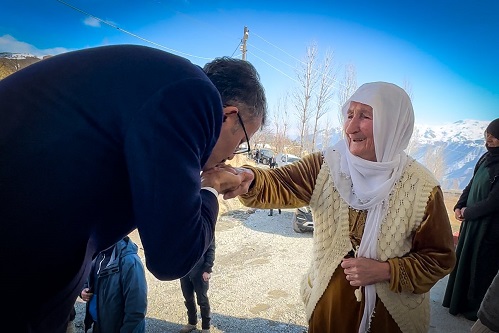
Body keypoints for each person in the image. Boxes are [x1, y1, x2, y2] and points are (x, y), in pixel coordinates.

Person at [0, 44, 267, 332]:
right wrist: (211, 189)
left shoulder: (160, 91)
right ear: (228, 115)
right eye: (241, 143)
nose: (231, 157)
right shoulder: (195, 97)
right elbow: (173, 256)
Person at [207, 82, 457, 332]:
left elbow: (439, 258)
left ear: (392, 123)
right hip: (328, 313)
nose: (350, 127)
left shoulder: (422, 188)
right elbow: (281, 182)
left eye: (365, 116)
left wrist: (387, 271)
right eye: (349, 115)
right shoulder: (328, 165)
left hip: (391, 321)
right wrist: (247, 178)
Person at [443, 118, 499, 321]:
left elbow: (494, 202)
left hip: (489, 229)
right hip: (472, 225)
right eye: (487, 135)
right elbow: (472, 183)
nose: (489, 140)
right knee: (464, 262)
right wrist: (459, 205)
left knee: (481, 268)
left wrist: (467, 213)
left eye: (494, 136)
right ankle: (457, 302)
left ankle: (474, 310)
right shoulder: (485, 158)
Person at [80, 236, 147, 332]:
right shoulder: (97, 254)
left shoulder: (130, 262)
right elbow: (87, 280)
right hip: (98, 326)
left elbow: (136, 311)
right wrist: (83, 290)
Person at [178, 238, 216, 333]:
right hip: (184, 270)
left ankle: (206, 327)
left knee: (202, 300)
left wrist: (207, 269)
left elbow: (211, 249)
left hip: (200, 270)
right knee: (188, 298)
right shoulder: (182, 227)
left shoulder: (205, 226)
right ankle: (191, 323)